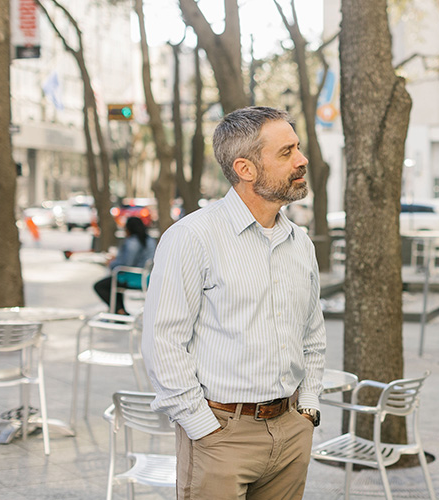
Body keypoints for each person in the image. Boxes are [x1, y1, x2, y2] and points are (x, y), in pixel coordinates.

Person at [142, 106, 326, 500]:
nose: (302, 159)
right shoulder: (191, 237)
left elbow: (312, 334)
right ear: (245, 168)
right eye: (286, 152)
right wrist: (201, 427)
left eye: (298, 148)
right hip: (221, 434)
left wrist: (307, 407)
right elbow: (163, 342)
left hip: (291, 430)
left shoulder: (300, 242)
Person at [93, 216, 156, 315]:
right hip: (145, 277)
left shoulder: (132, 242)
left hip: (132, 277)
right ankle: (119, 311)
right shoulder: (150, 241)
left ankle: (119, 311)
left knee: (101, 285)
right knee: (114, 283)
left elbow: (127, 263)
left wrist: (112, 263)